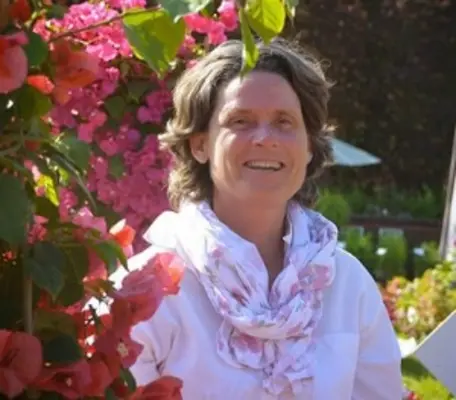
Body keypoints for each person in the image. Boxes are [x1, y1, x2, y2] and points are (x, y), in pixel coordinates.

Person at [114, 38, 403, 399]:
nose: (266, 138)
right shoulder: (148, 292)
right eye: (241, 121)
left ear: (309, 146)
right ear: (199, 144)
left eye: (284, 122)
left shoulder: (348, 286)